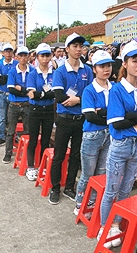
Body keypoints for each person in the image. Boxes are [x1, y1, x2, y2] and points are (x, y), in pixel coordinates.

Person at [98, 40, 137, 248]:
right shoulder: (117, 90)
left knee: (127, 187)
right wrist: (136, 117)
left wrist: (130, 115)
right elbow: (116, 122)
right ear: (125, 63)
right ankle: (105, 226)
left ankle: (116, 223)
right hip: (121, 144)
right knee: (112, 188)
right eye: (134, 61)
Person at [50, 33, 94, 204]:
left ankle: (69, 187)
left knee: (76, 155)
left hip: (80, 119)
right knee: (59, 155)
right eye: (75, 46)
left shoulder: (87, 70)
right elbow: (60, 96)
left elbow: (91, 95)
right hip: (64, 119)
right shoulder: (60, 71)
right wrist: (79, 100)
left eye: (80, 46)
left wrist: (78, 100)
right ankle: (55, 188)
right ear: (67, 49)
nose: (78, 49)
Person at [74, 49, 113, 213]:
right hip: (92, 135)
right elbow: (90, 116)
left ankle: (93, 201)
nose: (106, 69)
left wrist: (102, 112)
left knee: (101, 172)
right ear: (94, 69)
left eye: (108, 65)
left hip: (109, 135)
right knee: (87, 173)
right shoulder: (89, 90)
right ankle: (80, 203)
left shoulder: (115, 88)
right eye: (102, 66)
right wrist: (110, 115)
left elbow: (121, 111)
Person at [24, 43, 56, 181]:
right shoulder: (32, 74)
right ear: (37, 57)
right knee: (33, 139)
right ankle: (31, 166)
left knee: (45, 140)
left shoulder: (54, 74)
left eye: (47, 55)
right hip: (35, 110)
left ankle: (43, 166)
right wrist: (45, 94)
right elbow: (32, 94)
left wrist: (40, 94)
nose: (45, 59)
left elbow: (56, 93)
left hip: (49, 109)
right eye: (42, 56)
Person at [3, 46, 33, 163]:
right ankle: (8, 153)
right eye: (21, 55)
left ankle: (27, 153)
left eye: (25, 55)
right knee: (10, 130)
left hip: (27, 104)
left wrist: (20, 88)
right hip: (14, 104)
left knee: (28, 130)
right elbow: (11, 89)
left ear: (28, 57)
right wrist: (26, 91)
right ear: (17, 57)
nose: (23, 58)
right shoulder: (12, 71)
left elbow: (33, 89)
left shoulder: (33, 70)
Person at [0, 43, 16, 148]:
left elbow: (16, 80)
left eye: (10, 51)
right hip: (2, 94)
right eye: (6, 51)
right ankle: (1, 137)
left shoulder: (16, 64)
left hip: (13, 94)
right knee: (2, 118)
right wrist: (10, 77)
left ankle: (11, 138)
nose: (8, 53)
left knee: (12, 118)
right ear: (3, 53)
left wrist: (5, 77)